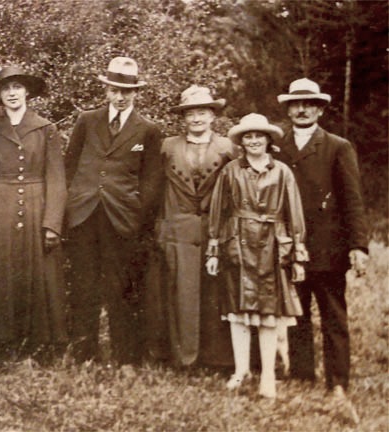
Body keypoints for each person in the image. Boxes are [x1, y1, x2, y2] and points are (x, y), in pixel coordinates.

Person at [275, 78, 368, 408]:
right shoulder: (277, 146)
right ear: (288, 109)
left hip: (329, 247)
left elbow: (352, 200)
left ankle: (338, 381)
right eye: (296, 104)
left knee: (332, 315)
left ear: (319, 109)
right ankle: (302, 375)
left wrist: (358, 245)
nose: (301, 109)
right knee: (296, 312)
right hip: (290, 247)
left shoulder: (337, 146)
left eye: (309, 104)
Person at [64, 57, 163, 365]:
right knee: (83, 285)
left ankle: (126, 357)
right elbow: (70, 165)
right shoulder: (87, 120)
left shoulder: (148, 130)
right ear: (106, 90)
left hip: (122, 220)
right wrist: (73, 203)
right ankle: (83, 353)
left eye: (127, 91)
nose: (120, 97)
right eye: (115, 90)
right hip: (84, 215)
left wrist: (136, 216)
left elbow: (151, 182)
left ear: (136, 93)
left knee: (122, 288)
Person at [205, 113, 308, 398]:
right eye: (248, 136)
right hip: (237, 244)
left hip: (272, 248)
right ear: (241, 141)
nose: (253, 141)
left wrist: (298, 254)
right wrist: (214, 250)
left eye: (258, 136)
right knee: (238, 313)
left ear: (268, 139)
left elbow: (294, 214)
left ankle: (268, 376)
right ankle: (241, 371)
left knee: (268, 315)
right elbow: (218, 211)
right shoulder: (231, 172)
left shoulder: (282, 171)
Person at [0, 66, 67, 362]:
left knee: (37, 272)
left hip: (37, 204)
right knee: (0, 273)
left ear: (27, 92)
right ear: (0, 96)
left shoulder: (45, 128)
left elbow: (57, 178)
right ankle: (2, 342)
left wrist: (52, 223)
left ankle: (39, 343)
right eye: (6, 88)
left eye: (17, 87)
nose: (12, 93)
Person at [145, 85, 236, 368]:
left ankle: (217, 358)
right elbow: (154, 188)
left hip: (214, 230)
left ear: (213, 116)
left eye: (202, 112)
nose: (196, 118)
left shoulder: (228, 147)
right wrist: (160, 227)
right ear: (182, 118)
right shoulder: (168, 147)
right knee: (178, 294)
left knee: (214, 293)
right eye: (190, 114)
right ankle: (180, 356)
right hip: (177, 231)